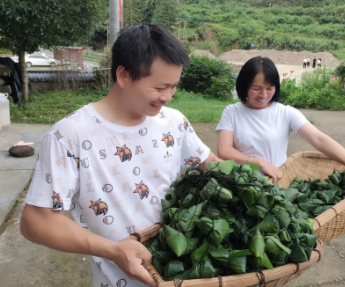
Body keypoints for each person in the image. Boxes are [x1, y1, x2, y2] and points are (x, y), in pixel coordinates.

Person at [20, 25, 221, 287]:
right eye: (160, 87)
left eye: (174, 87)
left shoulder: (174, 123)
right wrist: (113, 251)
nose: (168, 97)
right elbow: (35, 222)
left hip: (183, 273)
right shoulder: (70, 135)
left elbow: (213, 166)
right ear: (124, 75)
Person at [216, 56, 345, 194]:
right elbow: (224, 151)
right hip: (242, 187)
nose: (263, 95)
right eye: (256, 88)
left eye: (269, 88)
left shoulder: (285, 113)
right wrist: (259, 162)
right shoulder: (232, 112)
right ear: (244, 86)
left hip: (278, 187)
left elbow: (319, 139)